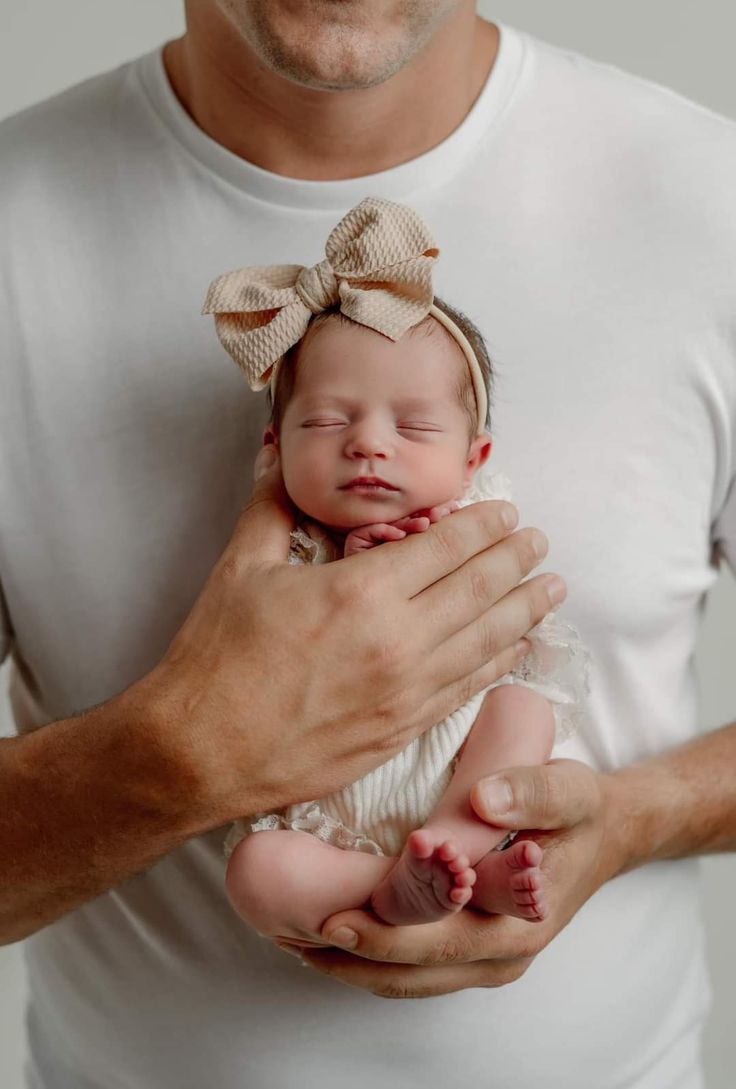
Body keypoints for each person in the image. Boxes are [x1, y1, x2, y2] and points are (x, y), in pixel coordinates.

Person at [0, 2, 734, 1088]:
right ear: (275, 438)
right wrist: (180, 752)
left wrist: (629, 819)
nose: (370, 449)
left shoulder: (711, 199)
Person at [214, 196, 589, 938]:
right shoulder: (276, 551)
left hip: (455, 756)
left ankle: (457, 840)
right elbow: (259, 655)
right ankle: (411, 884)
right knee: (256, 871)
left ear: (474, 456)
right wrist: (338, 573)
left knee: (526, 710)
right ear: (275, 444)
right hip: (329, 804)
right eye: (326, 421)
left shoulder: (475, 524)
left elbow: (507, 636)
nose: (368, 444)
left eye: (413, 426)